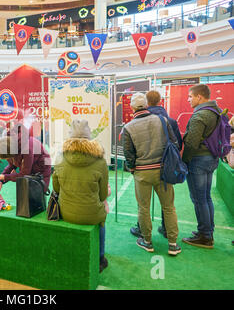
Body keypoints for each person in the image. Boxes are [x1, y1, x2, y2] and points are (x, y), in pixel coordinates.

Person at [123, 93, 181, 256]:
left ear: (133, 107)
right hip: (163, 171)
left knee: (143, 208)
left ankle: (147, 241)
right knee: (169, 207)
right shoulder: (162, 120)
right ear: (146, 105)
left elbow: (129, 154)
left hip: (142, 173)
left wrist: (133, 169)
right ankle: (173, 244)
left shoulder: (128, 127)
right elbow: (174, 143)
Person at [52, 119, 110, 272]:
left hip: (66, 212)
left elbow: (56, 189)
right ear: (89, 136)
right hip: (91, 214)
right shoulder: (100, 161)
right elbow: (103, 194)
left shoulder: (60, 157)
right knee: (102, 221)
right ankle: (100, 258)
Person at [181, 84, 223, 249]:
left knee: (199, 199)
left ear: (199, 97)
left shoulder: (200, 115)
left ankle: (205, 236)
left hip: (198, 160)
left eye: (191, 96)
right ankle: (207, 232)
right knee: (205, 198)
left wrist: (184, 161)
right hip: (211, 158)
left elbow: (192, 142)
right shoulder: (216, 111)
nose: (189, 99)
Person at [0, 124, 51, 193]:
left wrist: (3, 177)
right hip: (31, 165)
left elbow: (24, 174)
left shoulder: (27, 149)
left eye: (6, 157)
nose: (6, 160)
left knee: (37, 193)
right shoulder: (10, 145)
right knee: (25, 193)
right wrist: (0, 180)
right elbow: (11, 165)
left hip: (41, 167)